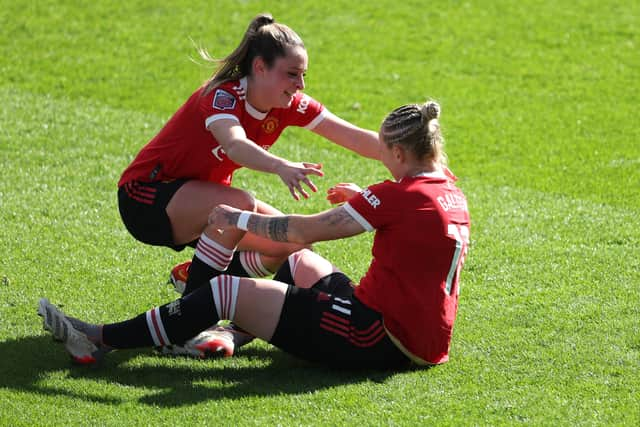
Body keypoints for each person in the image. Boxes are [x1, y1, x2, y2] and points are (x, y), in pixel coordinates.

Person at [39, 101, 471, 369]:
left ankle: (100, 339)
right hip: (407, 328)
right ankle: (223, 328)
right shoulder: (447, 189)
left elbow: (305, 226)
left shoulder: (399, 197)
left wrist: (237, 219)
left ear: (398, 152)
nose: (384, 162)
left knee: (227, 288)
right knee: (297, 258)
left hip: (377, 335)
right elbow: (414, 228)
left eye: (385, 154)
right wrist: (363, 198)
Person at [117, 13, 381, 293]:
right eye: (292, 74)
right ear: (260, 67)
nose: (300, 85)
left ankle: (194, 278)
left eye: (303, 75)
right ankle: (191, 314)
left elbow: (356, 138)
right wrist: (281, 166)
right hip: (144, 197)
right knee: (241, 203)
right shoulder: (223, 97)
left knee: (294, 243)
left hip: (204, 202)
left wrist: (425, 166)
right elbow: (234, 144)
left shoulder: (290, 104)